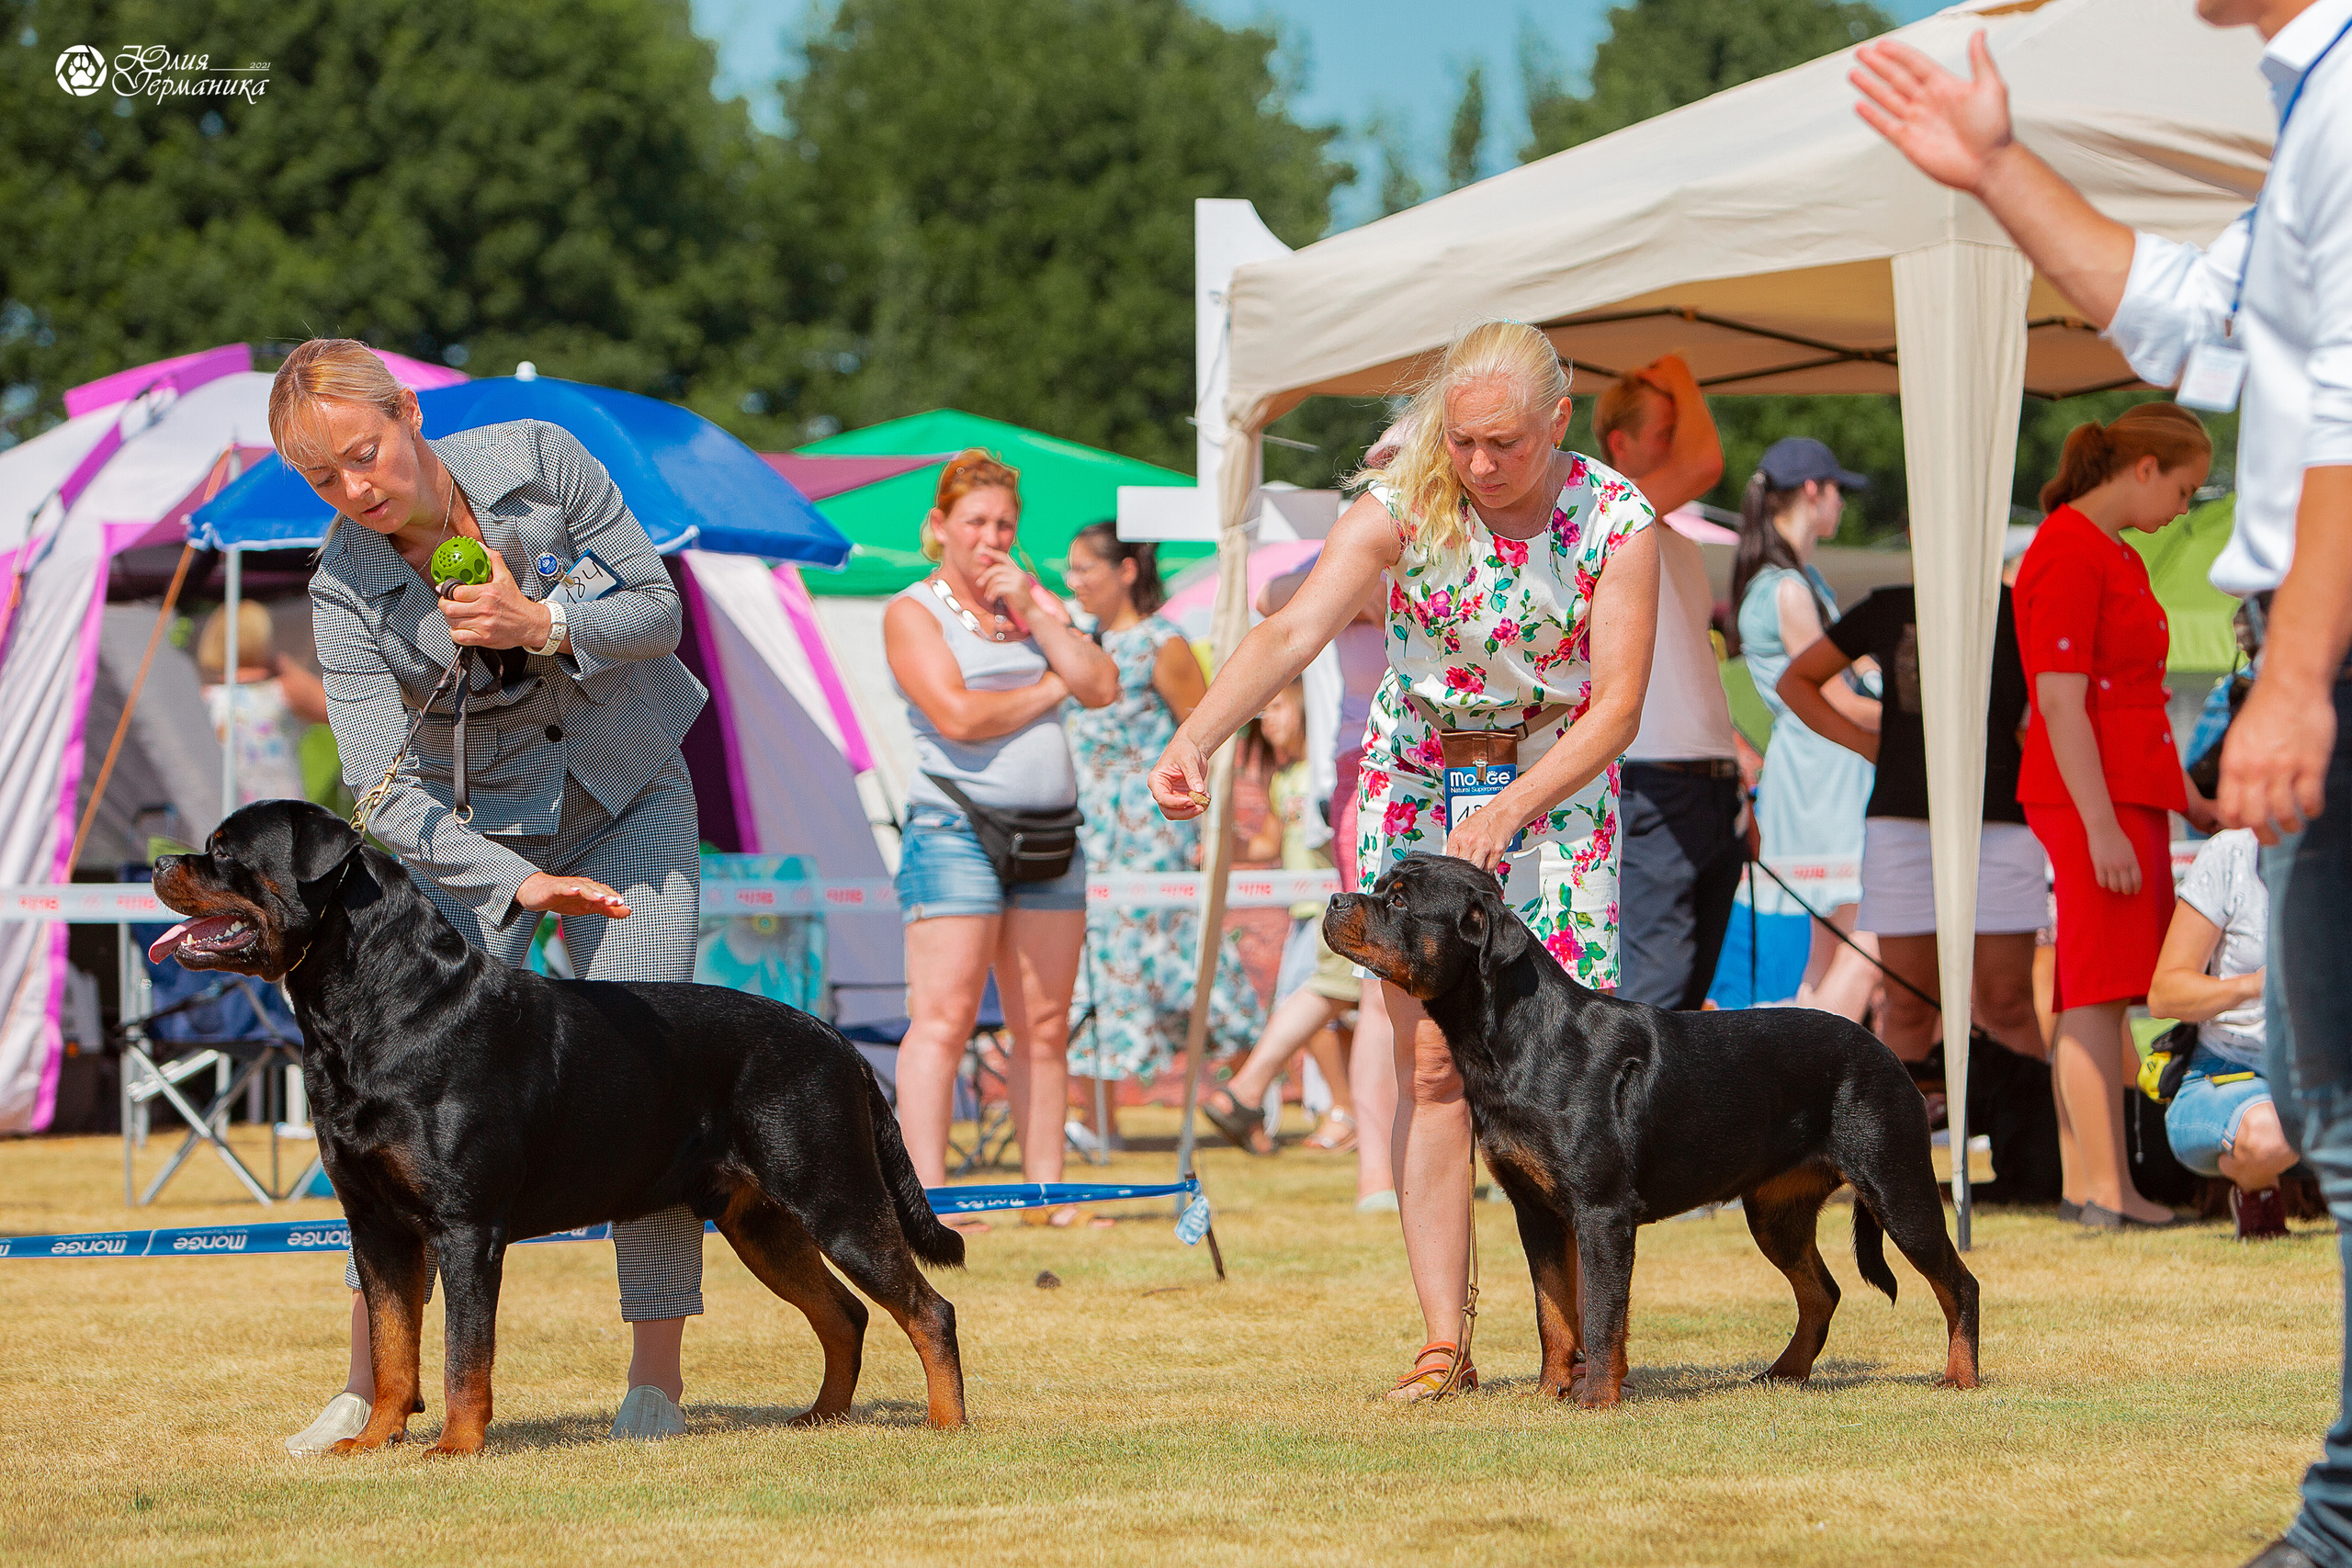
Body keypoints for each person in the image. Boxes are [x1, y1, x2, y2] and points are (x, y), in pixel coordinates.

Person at [1858, 8, 2352, 1560]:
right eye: (2177, 481)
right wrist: (1998, 168)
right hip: (2159, 772)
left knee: (2326, 1103)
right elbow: (2204, 321)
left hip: (2315, 665)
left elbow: (2337, 409)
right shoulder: (2310, 101)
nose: (2183, 495)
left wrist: (2288, 680)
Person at [1150, 319, 1661, 1400]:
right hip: (1416, 788)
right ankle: (1444, 1342)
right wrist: (1195, 735)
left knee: (1567, 1075)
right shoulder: (1400, 506)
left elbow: (1614, 706)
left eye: (1504, 444)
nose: (1477, 464)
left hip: (1557, 794)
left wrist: (1514, 807)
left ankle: (1579, 1345)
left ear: (1558, 423)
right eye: (1461, 441)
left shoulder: (1614, 518)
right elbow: (1289, 634)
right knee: (1431, 1065)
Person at [276, 338, 712, 1451]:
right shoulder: (341, 586)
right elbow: (377, 790)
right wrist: (521, 881)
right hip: (479, 842)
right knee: (397, 1098)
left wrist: (544, 625)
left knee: (649, 1080)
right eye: (323, 479)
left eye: (364, 455)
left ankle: (653, 1381)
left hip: (631, 789)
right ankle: (372, 1383)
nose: (356, 490)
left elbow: (658, 611)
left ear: (408, 414)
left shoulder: (538, 458)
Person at [884, 453, 1119, 1227]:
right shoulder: (912, 611)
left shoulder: (1030, 602)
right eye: (977, 522)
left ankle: (1045, 1194)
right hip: (955, 829)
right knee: (944, 1019)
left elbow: (1106, 683)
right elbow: (958, 717)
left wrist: (1041, 616)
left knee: (1045, 1025)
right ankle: (930, 1197)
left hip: (1051, 838)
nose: (991, 538)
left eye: (1005, 526)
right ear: (940, 526)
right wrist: (1055, 684)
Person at [2013, 404, 2218, 1228]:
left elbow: (2127, 700)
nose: (2185, 505)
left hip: (2119, 793)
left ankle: (2089, 1185)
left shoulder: (2105, 550)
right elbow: (2060, 703)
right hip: (2089, 797)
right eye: (2184, 487)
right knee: (2095, 992)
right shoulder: (2066, 548)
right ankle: (2107, 1190)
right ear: (2141, 469)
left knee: (2094, 991)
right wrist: (2099, 824)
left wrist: (2190, 799)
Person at [1777, 580, 2045, 1068]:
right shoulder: (1891, 605)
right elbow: (1795, 681)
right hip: (1903, 826)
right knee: (1908, 1006)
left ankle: (2027, 1144)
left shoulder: (2021, 607)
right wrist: (1864, 743)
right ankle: (1899, 1143)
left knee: (2006, 1004)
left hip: (2003, 820)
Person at [1058, 522, 1261, 1152]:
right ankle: (1102, 1122)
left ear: (1123, 570)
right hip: (1089, 833)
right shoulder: (1078, 644)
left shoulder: (1163, 644)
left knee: (1179, 968)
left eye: (1083, 567)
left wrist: (1215, 826)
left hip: (1152, 836)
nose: (1073, 582)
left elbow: (1209, 735)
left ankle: (1250, 1091)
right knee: (1099, 974)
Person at [1594, 356, 1739, 1010]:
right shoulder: (1615, 514)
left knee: (1683, 1005)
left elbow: (1694, 674)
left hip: (1704, 785)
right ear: (1620, 445)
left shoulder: (1668, 533)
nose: (1679, 445)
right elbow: (1708, 463)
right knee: (1656, 1006)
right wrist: (1682, 369)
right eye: (1665, 431)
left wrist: (1733, 776)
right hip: (1655, 785)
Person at [1259, 531, 1398, 1209]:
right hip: (1366, 772)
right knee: (1371, 980)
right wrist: (1351, 585)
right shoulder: (1363, 541)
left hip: (1457, 766)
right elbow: (1271, 598)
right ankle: (1377, 1170)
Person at [1732, 437, 1882, 1021]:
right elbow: (1834, 697)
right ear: (1813, 491)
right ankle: (1826, 1077)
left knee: (1829, 950)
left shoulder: (1789, 581)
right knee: (1870, 938)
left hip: (1812, 767)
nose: (1842, 503)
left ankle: (1803, 1088)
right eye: (1838, 489)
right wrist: (1911, 728)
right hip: (1827, 767)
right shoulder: (1791, 588)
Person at [1196, 681, 1359, 1156]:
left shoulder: (1324, 776)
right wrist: (1228, 844)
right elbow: (1269, 843)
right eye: (1262, 713)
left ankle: (1341, 1109)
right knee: (1313, 1006)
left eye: (1277, 708)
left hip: (1330, 908)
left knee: (1311, 1002)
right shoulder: (1283, 778)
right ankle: (1340, 1108)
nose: (1267, 723)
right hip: (1303, 911)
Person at [2149, 829, 2296, 1241]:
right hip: (2228, 1072)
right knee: (2271, 1135)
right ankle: (2258, 1188)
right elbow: (2163, 995)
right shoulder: (2232, 853)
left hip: (2321, 1071)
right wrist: (2253, 986)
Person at [195, 601, 328, 806]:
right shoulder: (282, 689)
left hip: (232, 806)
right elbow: (338, 711)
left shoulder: (208, 698)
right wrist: (287, 667)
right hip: (284, 807)